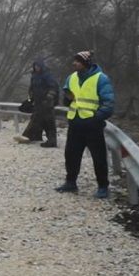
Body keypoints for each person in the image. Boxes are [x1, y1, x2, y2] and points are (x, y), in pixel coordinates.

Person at [55, 50, 115, 198]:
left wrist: (96, 119)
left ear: (86, 63)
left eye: (78, 61)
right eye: (74, 61)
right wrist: (67, 99)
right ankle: (70, 182)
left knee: (99, 157)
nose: (74, 63)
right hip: (75, 123)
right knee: (71, 155)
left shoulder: (101, 79)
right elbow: (68, 100)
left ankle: (103, 187)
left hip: (92, 126)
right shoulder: (71, 78)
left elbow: (108, 105)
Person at [14, 58, 59, 147]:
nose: (36, 68)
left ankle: (51, 141)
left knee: (48, 123)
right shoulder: (34, 76)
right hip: (38, 102)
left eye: (38, 66)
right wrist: (30, 99)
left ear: (42, 66)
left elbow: (53, 87)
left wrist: (49, 98)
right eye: (35, 66)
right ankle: (33, 137)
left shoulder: (47, 76)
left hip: (47, 103)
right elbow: (32, 89)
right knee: (36, 119)